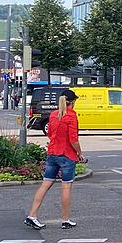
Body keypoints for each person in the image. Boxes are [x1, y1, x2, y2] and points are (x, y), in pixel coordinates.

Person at [24, 89, 87, 230]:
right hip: (66, 156)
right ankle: (65, 220)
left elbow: (50, 134)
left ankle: (32, 216)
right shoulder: (71, 116)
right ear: (73, 102)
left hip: (52, 153)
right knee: (66, 187)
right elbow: (73, 139)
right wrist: (80, 153)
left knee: (45, 185)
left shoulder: (53, 115)